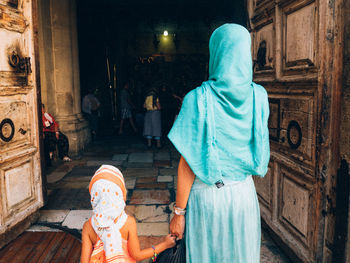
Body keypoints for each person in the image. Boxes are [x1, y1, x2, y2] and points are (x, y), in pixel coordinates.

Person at [168, 24, 270, 263]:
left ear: (216, 53)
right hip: (244, 196)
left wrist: (178, 213)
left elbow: (187, 164)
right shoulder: (260, 97)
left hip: (208, 199)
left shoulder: (196, 99)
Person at [81, 165, 176, 263]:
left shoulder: (88, 226)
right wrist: (165, 244)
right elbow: (137, 256)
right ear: (120, 195)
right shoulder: (128, 223)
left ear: (94, 197)